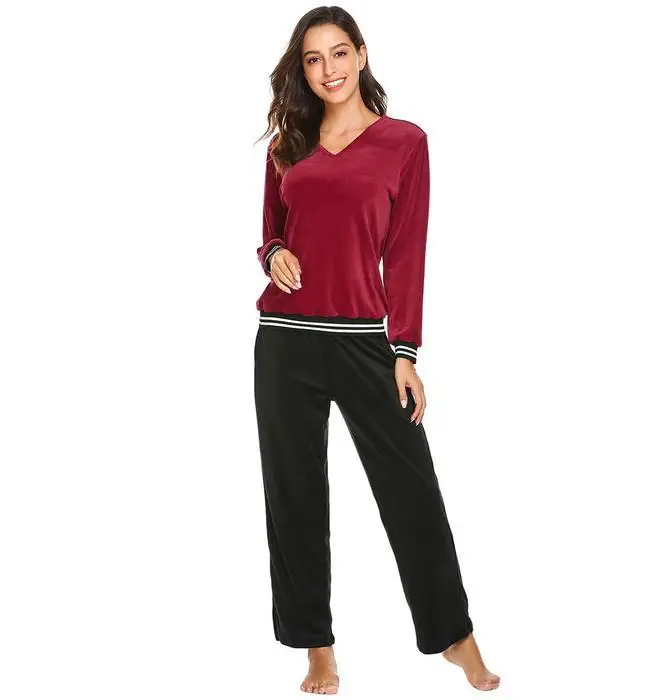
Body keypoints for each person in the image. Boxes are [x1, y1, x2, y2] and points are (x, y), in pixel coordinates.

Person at [253, 6, 500, 695]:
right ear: (303, 69)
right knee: (294, 496)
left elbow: (408, 251)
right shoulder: (288, 142)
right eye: (313, 58)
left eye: (339, 53)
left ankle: (454, 635)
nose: (327, 69)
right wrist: (273, 254)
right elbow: (270, 230)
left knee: (411, 491)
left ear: (361, 55)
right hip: (285, 341)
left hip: (365, 341)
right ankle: (316, 647)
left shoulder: (404, 142)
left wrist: (406, 351)